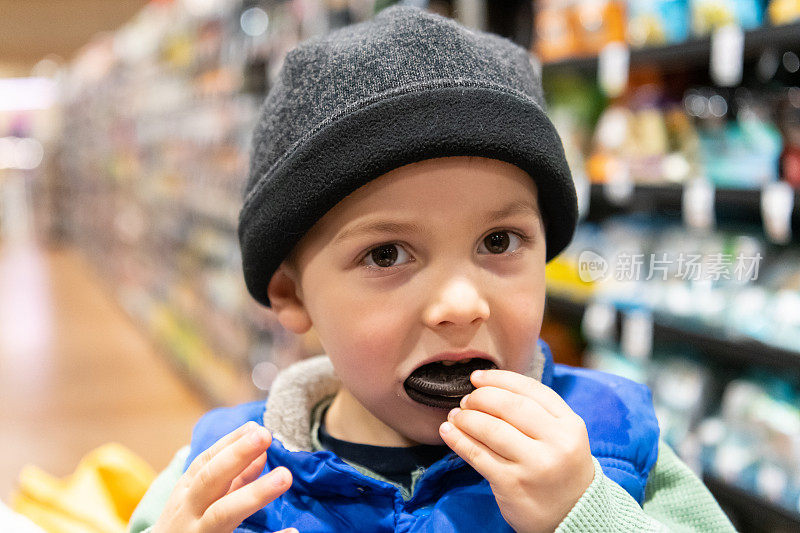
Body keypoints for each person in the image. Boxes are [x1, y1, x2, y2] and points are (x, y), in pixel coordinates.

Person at [129, 6, 736, 532]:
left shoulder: (615, 448)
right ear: (291, 293)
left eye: (499, 241)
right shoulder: (221, 486)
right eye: (387, 254)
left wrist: (587, 514)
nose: (460, 305)